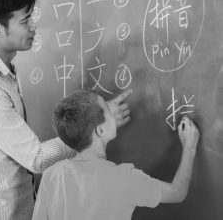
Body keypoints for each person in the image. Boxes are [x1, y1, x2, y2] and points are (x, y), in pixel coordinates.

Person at [0, 0, 132, 220]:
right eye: (25, 21)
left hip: (13, 209)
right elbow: (35, 159)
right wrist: (91, 127)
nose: (34, 26)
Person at [32, 89, 200, 220]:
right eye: (107, 109)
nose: (113, 111)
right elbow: (178, 193)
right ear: (100, 130)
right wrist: (189, 148)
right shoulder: (124, 178)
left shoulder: (51, 175)